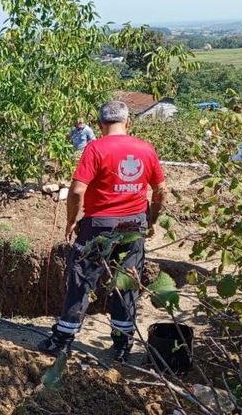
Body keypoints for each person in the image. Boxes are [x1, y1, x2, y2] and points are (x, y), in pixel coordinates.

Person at [38, 100, 167, 362]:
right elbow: (161, 191)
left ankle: (62, 339)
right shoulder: (146, 149)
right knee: (127, 282)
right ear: (128, 122)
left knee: (82, 280)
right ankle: (122, 346)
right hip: (134, 226)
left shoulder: (94, 148)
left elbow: (76, 191)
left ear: (99, 124)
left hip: (99, 226)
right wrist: (151, 221)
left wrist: (71, 221)